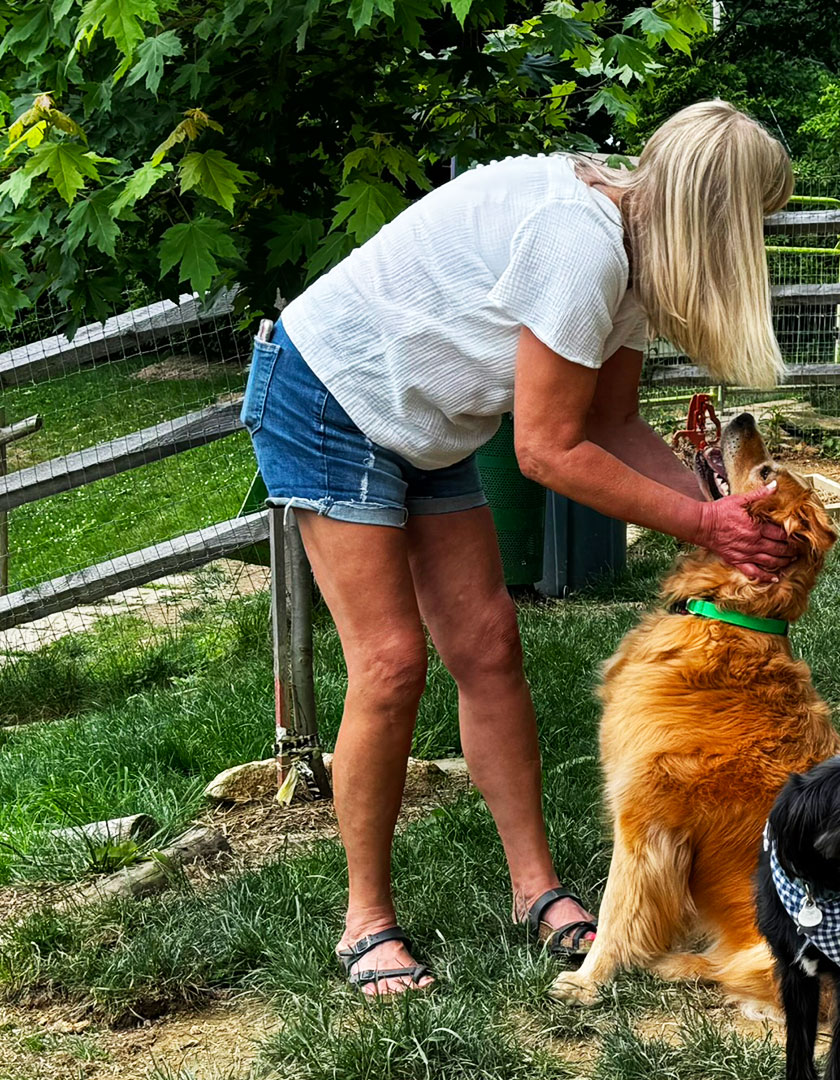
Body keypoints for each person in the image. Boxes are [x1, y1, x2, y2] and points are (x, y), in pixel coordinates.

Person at [239, 101, 798, 996]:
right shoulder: (580, 245)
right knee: (389, 663)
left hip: (424, 425)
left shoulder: (634, 261)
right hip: (330, 397)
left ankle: (535, 892)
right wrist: (701, 526)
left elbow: (610, 424)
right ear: (713, 215)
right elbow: (545, 449)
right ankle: (366, 923)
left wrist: (720, 502)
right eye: (754, 224)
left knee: (490, 648)